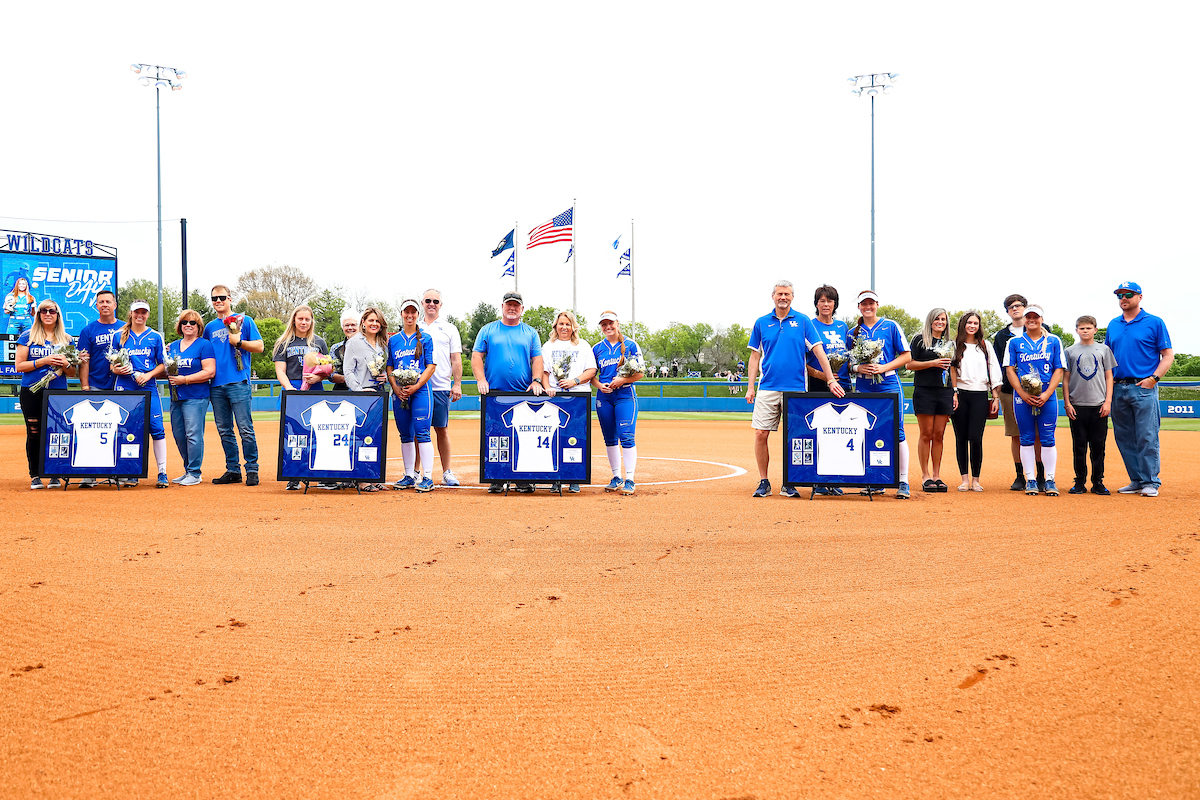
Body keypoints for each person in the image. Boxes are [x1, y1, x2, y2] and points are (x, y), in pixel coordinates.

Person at [746, 280, 844, 498]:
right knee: (761, 433)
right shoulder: (761, 322)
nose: (783, 297)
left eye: (787, 294)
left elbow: (818, 350)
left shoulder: (802, 321)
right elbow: (754, 356)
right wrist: (750, 387)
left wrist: (830, 379)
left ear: (792, 297)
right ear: (773, 296)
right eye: (779, 294)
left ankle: (789, 482)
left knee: (795, 437)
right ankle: (764, 481)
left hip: (796, 388)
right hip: (768, 387)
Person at [472, 292, 545, 494]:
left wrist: (537, 380)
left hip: (522, 392)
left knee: (522, 436)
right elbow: (476, 356)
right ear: (502, 306)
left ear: (522, 309)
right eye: (509, 305)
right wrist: (481, 379)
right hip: (494, 393)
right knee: (495, 436)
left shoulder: (530, 332)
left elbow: (537, 359)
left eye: (516, 305)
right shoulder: (488, 330)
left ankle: (522, 479)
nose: (512, 308)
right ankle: (496, 477)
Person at [1106, 281, 1174, 497]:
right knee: (1124, 437)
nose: (1123, 298)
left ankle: (1151, 481)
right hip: (1118, 387)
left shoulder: (1154, 322)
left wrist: (1154, 379)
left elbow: (1168, 355)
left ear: (1139, 297)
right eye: (1120, 295)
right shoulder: (1113, 324)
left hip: (1143, 387)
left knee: (1147, 435)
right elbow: (1107, 358)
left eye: (1128, 294)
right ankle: (1136, 480)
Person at [848, 290, 911, 499]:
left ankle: (903, 480)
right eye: (864, 303)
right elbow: (847, 363)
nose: (868, 306)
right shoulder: (853, 332)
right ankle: (876, 478)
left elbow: (906, 356)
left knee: (897, 431)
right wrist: (857, 368)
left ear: (877, 304)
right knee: (869, 431)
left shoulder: (890, 326)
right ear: (859, 307)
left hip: (888, 383)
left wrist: (883, 367)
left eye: (871, 303)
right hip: (864, 385)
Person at [204, 286, 264, 486]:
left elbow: (260, 346)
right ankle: (233, 470)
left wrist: (239, 343)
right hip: (216, 384)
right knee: (224, 430)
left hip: (238, 381)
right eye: (214, 298)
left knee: (245, 428)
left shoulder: (244, 320)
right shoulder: (210, 327)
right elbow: (202, 352)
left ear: (230, 299)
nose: (218, 301)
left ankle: (252, 469)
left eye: (222, 297)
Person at [1003, 305, 1066, 496]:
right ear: (1024, 319)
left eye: (1035, 317)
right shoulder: (1014, 342)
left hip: (1047, 394)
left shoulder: (1053, 340)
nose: (1032, 320)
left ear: (1041, 319)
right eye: (1028, 316)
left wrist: (1047, 394)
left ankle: (1049, 479)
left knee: (1048, 438)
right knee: (1026, 438)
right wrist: (1022, 393)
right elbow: (1009, 369)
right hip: (1023, 396)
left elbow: (1059, 369)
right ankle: (1030, 479)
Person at [15, 300, 75, 489]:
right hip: (32, 390)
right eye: (43, 311)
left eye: (52, 311)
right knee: (34, 432)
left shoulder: (66, 339)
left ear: (58, 314)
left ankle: (54, 473)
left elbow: (72, 373)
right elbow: (19, 366)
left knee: (56, 433)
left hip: (57, 393)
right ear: (38, 314)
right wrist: (43, 361)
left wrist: (65, 363)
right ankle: (35, 475)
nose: (48, 314)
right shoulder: (27, 336)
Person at [111, 300, 170, 488]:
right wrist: (116, 369)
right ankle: (132, 471)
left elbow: (163, 364)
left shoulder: (155, 336)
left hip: (148, 386)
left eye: (144, 312)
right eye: (137, 312)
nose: (140, 315)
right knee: (128, 429)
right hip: (125, 387)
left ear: (148, 315)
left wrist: (149, 375)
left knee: (157, 429)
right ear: (131, 313)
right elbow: (112, 364)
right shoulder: (118, 335)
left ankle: (162, 472)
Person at [542, 309, 597, 493]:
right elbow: (544, 372)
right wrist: (547, 387)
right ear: (555, 326)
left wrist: (574, 381)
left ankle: (575, 476)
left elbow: (591, 370)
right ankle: (556, 477)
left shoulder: (583, 345)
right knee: (555, 437)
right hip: (555, 397)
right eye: (561, 324)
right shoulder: (548, 346)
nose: (564, 327)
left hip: (578, 397)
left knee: (577, 437)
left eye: (568, 324)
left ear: (573, 327)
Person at [994, 294, 1044, 492]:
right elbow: (999, 365)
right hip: (1010, 391)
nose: (1015, 308)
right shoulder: (1002, 336)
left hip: (1038, 391)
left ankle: (1041, 475)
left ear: (1025, 308)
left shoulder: (1041, 330)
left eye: (1019, 305)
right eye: (1011, 306)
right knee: (1016, 435)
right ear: (1007, 311)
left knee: (1038, 435)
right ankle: (1020, 475)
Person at [1063, 315, 1117, 495]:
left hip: (1099, 405)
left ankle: (1098, 481)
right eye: (1081, 328)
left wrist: (1108, 401)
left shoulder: (1104, 350)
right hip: (1077, 405)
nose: (1085, 331)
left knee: (1098, 447)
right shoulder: (1069, 351)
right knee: (1079, 446)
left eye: (1088, 328)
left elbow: (1109, 376)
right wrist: (1067, 403)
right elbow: (1066, 379)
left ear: (1095, 329)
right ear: (1076, 330)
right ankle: (1079, 481)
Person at [592, 311, 645, 495]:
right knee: (609, 438)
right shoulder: (597, 348)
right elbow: (591, 375)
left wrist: (623, 380)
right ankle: (616, 477)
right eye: (604, 324)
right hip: (604, 397)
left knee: (626, 436)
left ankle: (630, 479)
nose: (608, 327)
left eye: (610, 323)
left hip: (624, 395)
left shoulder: (630, 345)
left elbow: (640, 373)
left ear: (617, 324)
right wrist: (600, 385)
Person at [76, 289, 125, 488]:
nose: (104, 304)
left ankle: (119, 472)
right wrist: (85, 386)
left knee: (120, 430)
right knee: (92, 431)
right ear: (96, 306)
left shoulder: (125, 327)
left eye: (108, 301)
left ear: (115, 305)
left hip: (121, 385)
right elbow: (84, 360)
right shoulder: (88, 330)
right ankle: (90, 474)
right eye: (101, 302)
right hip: (96, 384)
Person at [949, 311, 1003, 492]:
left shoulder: (985, 346)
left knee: (976, 437)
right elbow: (951, 371)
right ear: (963, 324)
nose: (972, 326)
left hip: (980, 394)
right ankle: (964, 479)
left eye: (975, 323)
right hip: (960, 394)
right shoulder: (954, 346)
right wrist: (954, 393)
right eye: (969, 323)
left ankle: (976, 480)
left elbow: (994, 371)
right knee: (961, 438)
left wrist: (995, 397)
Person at [388, 299, 437, 492]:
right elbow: (390, 366)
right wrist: (395, 387)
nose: (410, 315)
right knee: (405, 435)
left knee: (422, 432)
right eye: (406, 312)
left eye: (413, 312)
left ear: (417, 314)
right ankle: (409, 475)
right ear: (401, 314)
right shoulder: (393, 340)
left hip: (421, 391)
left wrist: (416, 386)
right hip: (400, 392)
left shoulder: (426, 338)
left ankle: (428, 477)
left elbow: (431, 366)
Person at [343, 307, 392, 492]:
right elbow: (348, 371)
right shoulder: (354, 342)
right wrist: (359, 390)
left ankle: (374, 476)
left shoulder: (383, 344)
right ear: (363, 322)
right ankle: (362, 479)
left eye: (377, 321)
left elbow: (386, 369)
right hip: (361, 397)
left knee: (377, 436)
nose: (374, 324)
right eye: (371, 320)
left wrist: (385, 378)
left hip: (378, 395)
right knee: (362, 437)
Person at [419, 288, 464, 486]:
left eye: (435, 301)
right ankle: (415, 472)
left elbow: (456, 359)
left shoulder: (449, 328)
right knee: (418, 431)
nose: (432, 304)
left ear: (441, 305)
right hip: (418, 387)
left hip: (440, 387)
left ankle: (447, 472)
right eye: (428, 300)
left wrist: (457, 384)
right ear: (422, 303)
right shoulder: (414, 327)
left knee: (442, 430)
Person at [165, 310, 216, 486]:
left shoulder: (204, 345)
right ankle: (188, 470)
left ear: (199, 327)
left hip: (196, 396)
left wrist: (184, 380)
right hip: (176, 396)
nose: (188, 325)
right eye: (184, 322)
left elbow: (209, 372)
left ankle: (195, 472)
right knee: (179, 435)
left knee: (193, 434)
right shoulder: (172, 346)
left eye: (192, 323)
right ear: (179, 326)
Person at [908, 308, 955, 493]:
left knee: (939, 434)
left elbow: (953, 369)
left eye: (943, 319)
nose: (940, 322)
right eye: (937, 319)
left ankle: (936, 475)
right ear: (930, 320)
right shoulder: (919, 340)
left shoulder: (949, 343)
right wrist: (933, 363)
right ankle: (925, 476)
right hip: (924, 391)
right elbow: (909, 364)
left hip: (944, 392)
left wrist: (954, 392)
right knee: (926, 434)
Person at [272, 305, 328, 392]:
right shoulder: (283, 343)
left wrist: (318, 378)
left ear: (311, 321)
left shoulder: (319, 342)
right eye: (300, 319)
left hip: (315, 388)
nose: (304, 322)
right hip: (292, 386)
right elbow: (280, 371)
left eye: (307, 319)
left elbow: (326, 369)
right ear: (294, 320)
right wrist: (288, 387)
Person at [807, 285, 851, 394]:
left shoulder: (842, 326)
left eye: (830, 301)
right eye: (822, 301)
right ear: (816, 304)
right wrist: (822, 375)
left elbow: (849, 355)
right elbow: (800, 361)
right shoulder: (809, 326)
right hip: (817, 385)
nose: (826, 304)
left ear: (835, 304)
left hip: (843, 383)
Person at [328, 310, 358, 392]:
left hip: (364, 391)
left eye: (353, 325)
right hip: (341, 391)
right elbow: (331, 375)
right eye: (346, 325)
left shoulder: (368, 346)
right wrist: (347, 378)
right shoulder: (335, 348)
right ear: (342, 327)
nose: (350, 328)